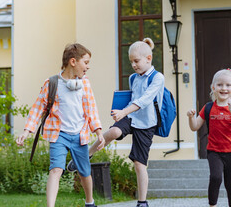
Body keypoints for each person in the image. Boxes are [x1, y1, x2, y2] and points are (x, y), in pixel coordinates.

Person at [67, 38, 164, 207]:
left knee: (140, 164)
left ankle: (142, 202)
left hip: (147, 123)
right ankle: (85, 155)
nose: (133, 65)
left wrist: (123, 112)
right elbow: (131, 97)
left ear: (148, 59)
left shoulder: (158, 78)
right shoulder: (134, 78)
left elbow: (145, 100)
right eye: (131, 62)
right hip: (131, 117)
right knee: (113, 132)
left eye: (136, 61)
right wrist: (119, 111)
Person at [16, 43, 105, 207]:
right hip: (59, 135)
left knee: (84, 172)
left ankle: (89, 201)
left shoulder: (84, 84)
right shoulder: (52, 83)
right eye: (85, 63)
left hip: (79, 135)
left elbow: (91, 110)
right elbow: (37, 109)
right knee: (56, 169)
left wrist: (99, 132)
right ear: (73, 62)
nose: (88, 67)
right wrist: (26, 131)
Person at [187, 68, 231, 207]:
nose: (223, 88)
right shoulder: (208, 107)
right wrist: (190, 117)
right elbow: (194, 126)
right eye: (219, 85)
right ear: (213, 87)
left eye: (228, 85)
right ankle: (212, 205)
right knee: (215, 177)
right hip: (214, 152)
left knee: (230, 183)